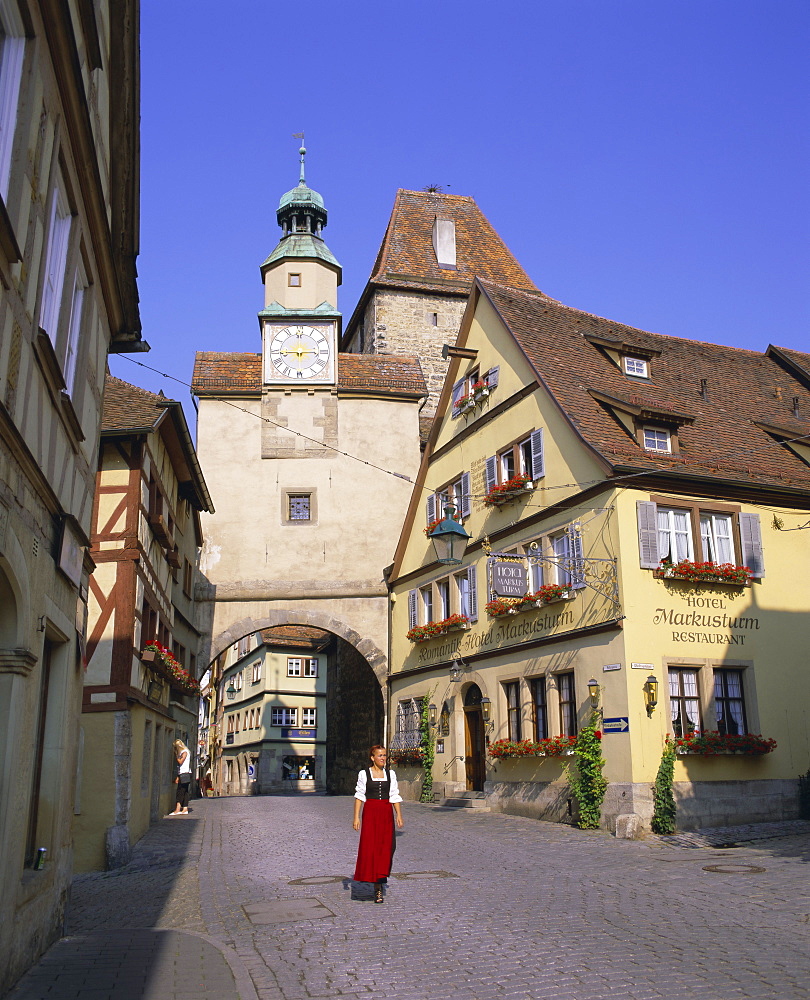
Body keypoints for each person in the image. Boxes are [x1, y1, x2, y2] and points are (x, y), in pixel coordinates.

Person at [352, 745, 404, 903]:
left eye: (384, 756)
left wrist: (398, 815)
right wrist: (356, 817)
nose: (383, 758)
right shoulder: (364, 774)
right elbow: (360, 796)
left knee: (386, 848)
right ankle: (377, 887)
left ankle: (380, 879)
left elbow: (394, 794)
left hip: (385, 813)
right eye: (380, 755)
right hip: (371, 813)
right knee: (371, 847)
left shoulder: (390, 774)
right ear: (372, 757)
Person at [168, 739, 192, 815]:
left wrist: (176, 755)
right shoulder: (184, 751)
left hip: (184, 774)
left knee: (180, 791)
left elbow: (180, 762)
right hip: (184, 773)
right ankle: (185, 809)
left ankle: (177, 809)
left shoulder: (184, 752)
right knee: (185, 792)